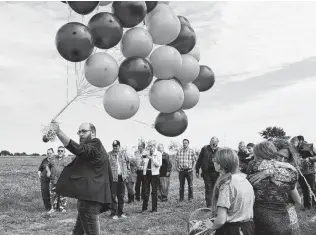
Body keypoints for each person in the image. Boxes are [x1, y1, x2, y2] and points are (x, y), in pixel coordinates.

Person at [54, 122, 113, 235]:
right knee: (77, 232)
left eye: (84, 131)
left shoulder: (95, 144)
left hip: (90, 201)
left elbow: (80, 150)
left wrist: (59, 132)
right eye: (79, 132)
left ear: (93, 132)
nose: (80, 134)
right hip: (88, 199)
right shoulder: (95, 148)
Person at [194, 148, 255, 235]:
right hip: (247, 228)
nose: (213, 162)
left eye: (215, 160)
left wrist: (212, 226)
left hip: (231, 230)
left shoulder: (226, 185)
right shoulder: (245, 180)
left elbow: (221, 220)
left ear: (220, 165)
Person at [247, 141, 301, 235]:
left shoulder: (289, 172)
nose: (282, 160)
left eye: (286, 158)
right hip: (277, 219)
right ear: (272, 152)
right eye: (279, 155)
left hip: (276, 216)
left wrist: (268, 172)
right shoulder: (290, 172)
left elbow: (298, 200)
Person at [46, 146, 72, 213]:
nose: (60, 152)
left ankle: (62, 208)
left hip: (63, 181)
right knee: (52, 195)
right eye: (59, 151)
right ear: (57, 151)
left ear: (64, 152)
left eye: (61, 151)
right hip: (53, 180)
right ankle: (53, 208)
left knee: (63, 195)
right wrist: (48, 171)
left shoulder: (68, 159)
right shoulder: (53, 158)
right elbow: (47, 166)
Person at [196, 137, 220, 207]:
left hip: (216, 172)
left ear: (217, 143)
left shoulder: (220, 150)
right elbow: (199, 159)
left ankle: (215, 204)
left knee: (216, 188)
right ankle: (209, 205)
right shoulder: (205, 148)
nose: (214, 145)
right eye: (212, 143)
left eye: (215, 143)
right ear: (210, 142)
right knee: (208, 188)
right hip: (206, 172)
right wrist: (197, 169)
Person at [108, 140, 128, 219]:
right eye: (114, 146)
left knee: (121, 195)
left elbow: (127, 164)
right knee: (113, 196)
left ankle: (121, 212)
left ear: (119, 146)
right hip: (113, 178)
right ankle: (114, 213)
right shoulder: (109, 155)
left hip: (122, 177)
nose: (115, 148)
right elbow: (106, 167)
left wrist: (126, 174)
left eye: (116, 146)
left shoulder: (123, 154)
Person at [295, 135, 316, 209]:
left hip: (309, 171)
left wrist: (309, 159)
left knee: (312, 188)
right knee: (304, 189)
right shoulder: (295, 149)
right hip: (300, 172)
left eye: (297, 141)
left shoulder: (309, 146)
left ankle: (314, 205)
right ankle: (307, 206)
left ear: (301, 141)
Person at [141, 142, 162, 212]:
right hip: (147, 174)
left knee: (154, 191)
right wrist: (142, 161)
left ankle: (154, 209)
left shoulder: (158, 154)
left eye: (152, 147)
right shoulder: (146, 154)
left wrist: (152, 158)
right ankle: (144, 208)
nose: (150, 148)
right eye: (149, 147)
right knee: (146, 191)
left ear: (154, 147)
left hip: (155, 174)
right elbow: (142, 164)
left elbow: (159, 164)